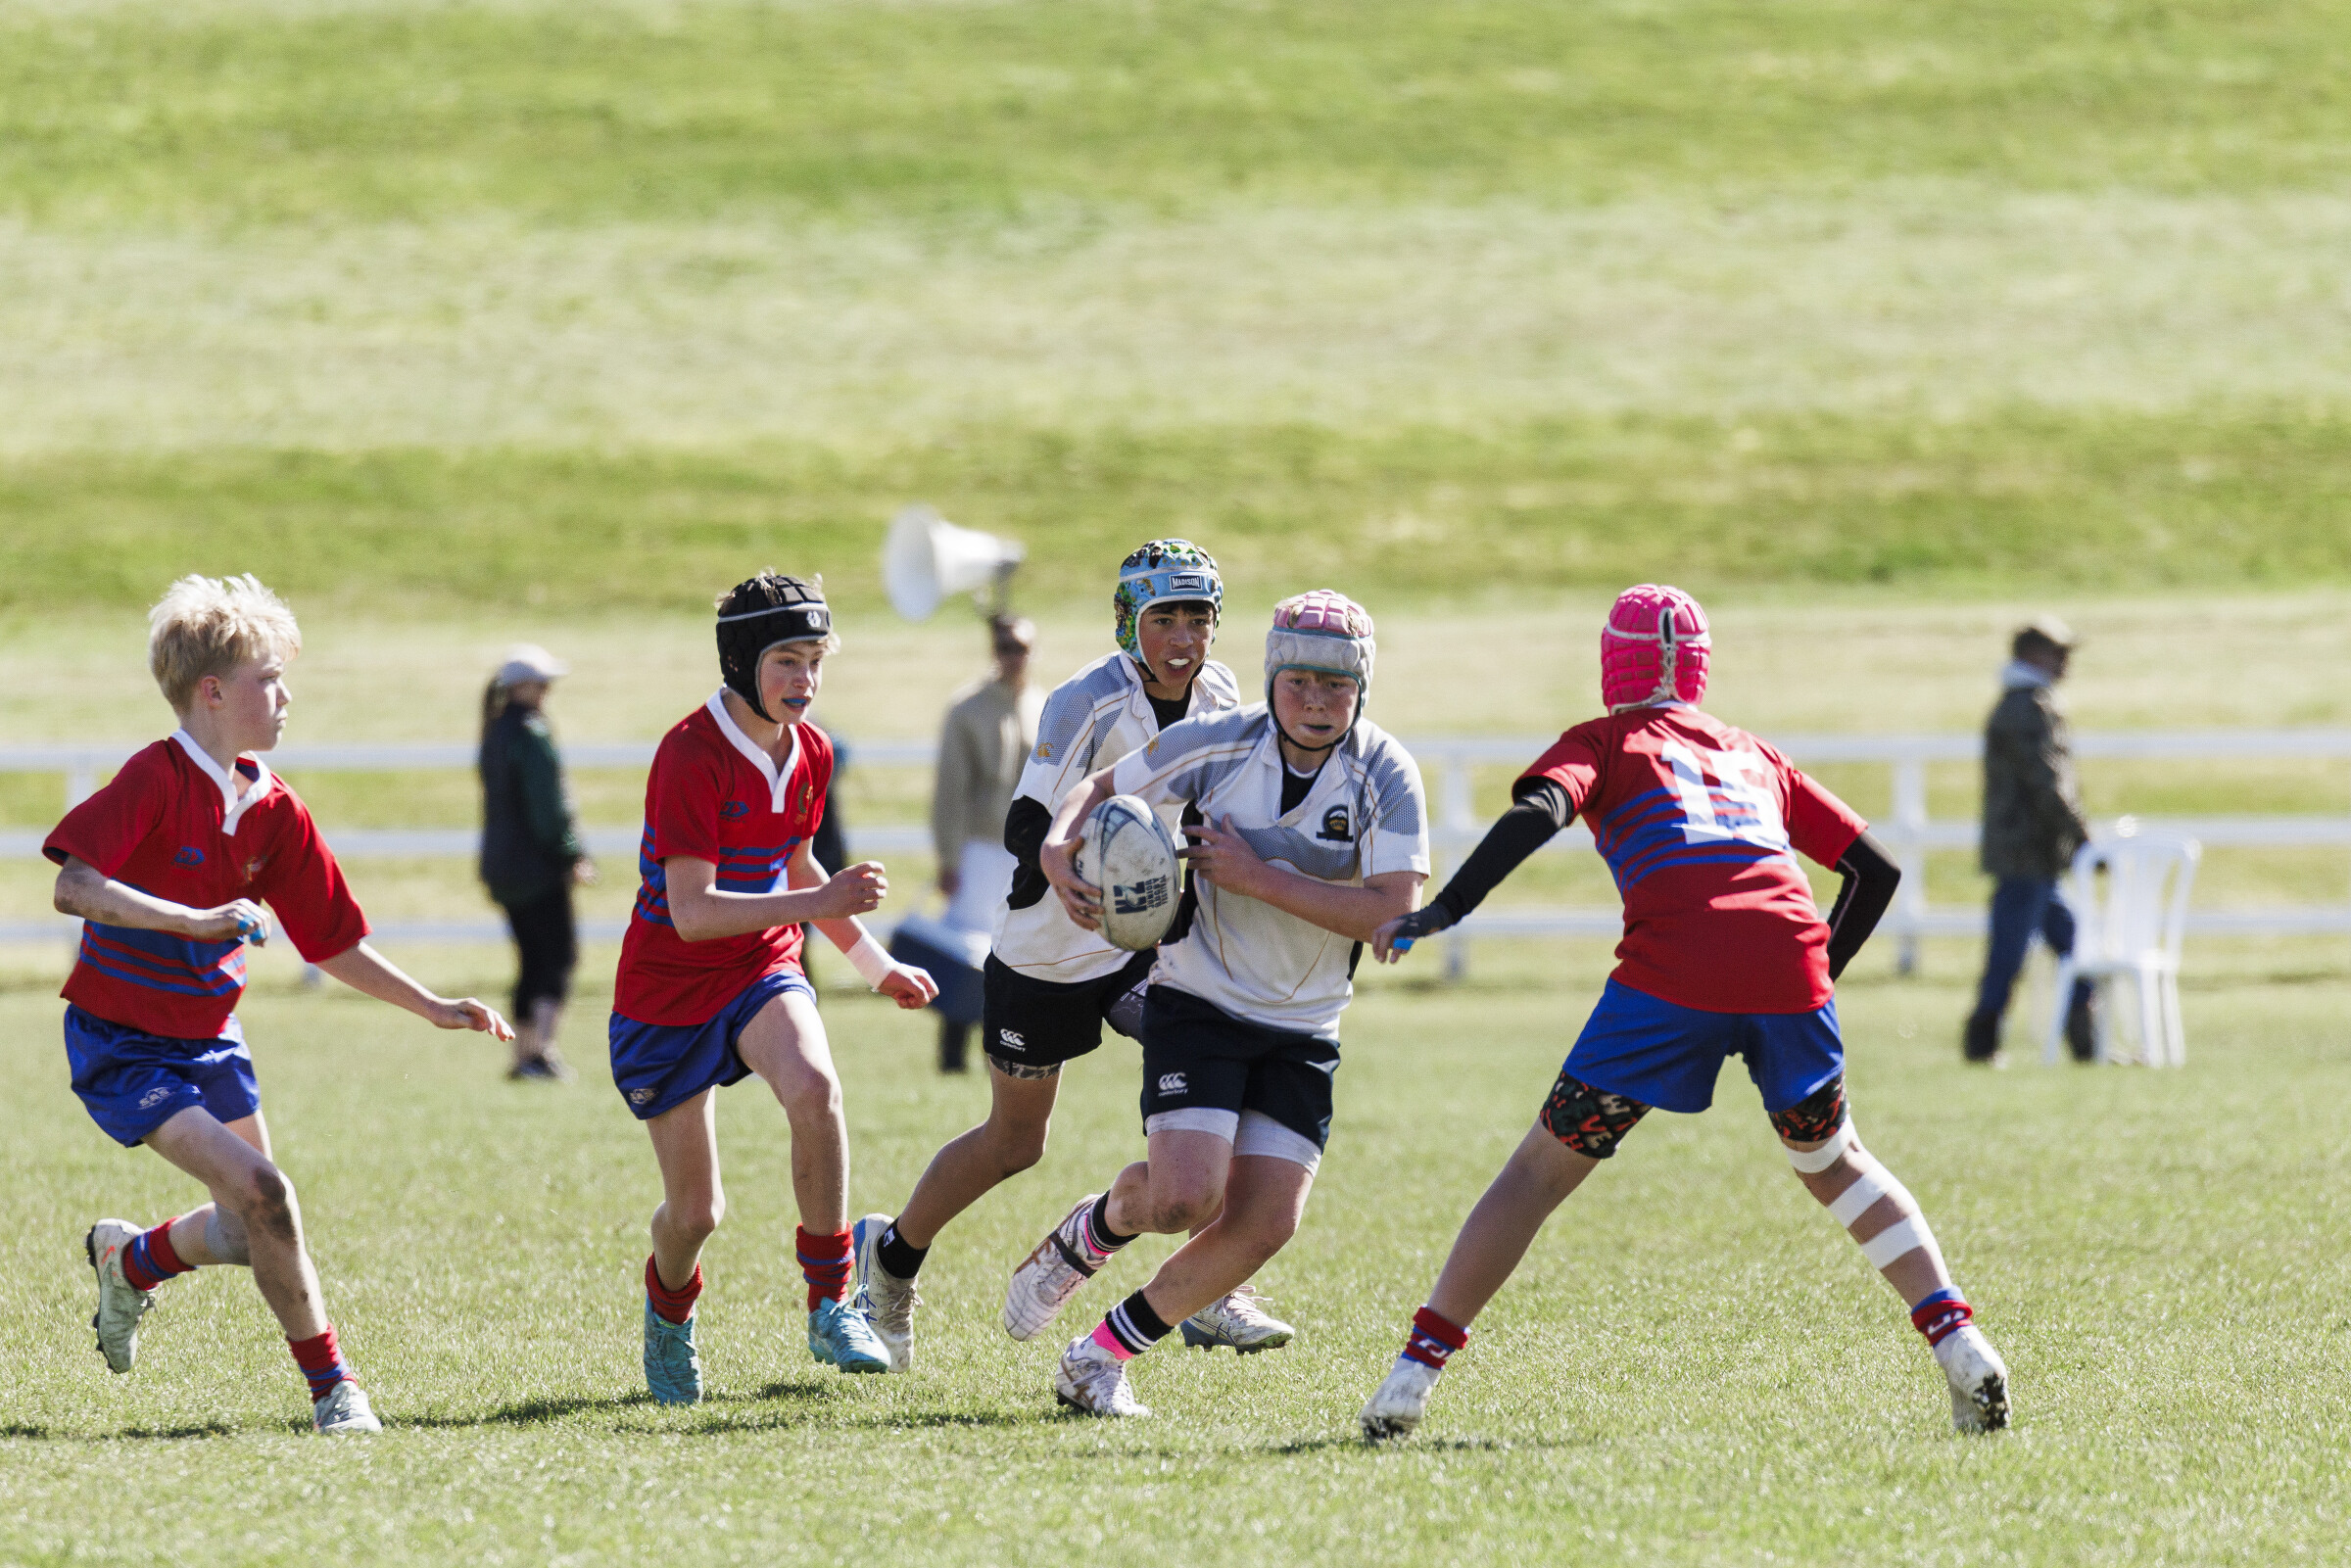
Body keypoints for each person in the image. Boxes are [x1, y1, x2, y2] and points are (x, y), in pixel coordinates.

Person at [1352, 584, 2009, 1443]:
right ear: (1698, 670)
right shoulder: (1752, 751)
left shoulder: (1605, 740)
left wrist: (1449, 908)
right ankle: (1960, 1340)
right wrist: (1813, 976)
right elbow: (1874, 870)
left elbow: (1540, 809)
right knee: (1835, 1162)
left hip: (1672, 978)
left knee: (1537, 1174)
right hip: (1790, 972)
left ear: (1610, 664)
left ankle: (1411, 1377)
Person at [48, 574, 514, 1436]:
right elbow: (74, 886)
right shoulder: (154, 777)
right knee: (267, 1191)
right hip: (124, 1042)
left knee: (249, 1222)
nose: (286, 695)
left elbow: (330, 940)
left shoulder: (274, 808)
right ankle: (336, 1389)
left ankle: (131, 1261)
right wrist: (192, 919)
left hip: (211, 1036)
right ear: (212, 691)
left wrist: (431, 1005)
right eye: (268, 679)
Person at [853, 541, 1288, 1374]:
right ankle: (892, 1257)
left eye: (1199, 617)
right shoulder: (1082, 700)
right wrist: (1063, 862)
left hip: (1145, 947)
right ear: (1129, 620)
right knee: (1015, 1142)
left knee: (1220, 1075)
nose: (1184, 636)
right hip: (1046, 952)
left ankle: (1210, 1287)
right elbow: (1025, 822)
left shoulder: (1221, 691)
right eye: (1165, 616)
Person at [1002, 589, 1428, 1417]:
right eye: (1298, 681)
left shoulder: (1384, 772)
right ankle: (1094, 1229)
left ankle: (1096, 1357)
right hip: (1201, 997)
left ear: (1362, 688)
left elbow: (1392, 914)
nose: (1315, 701)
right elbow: (1099, 787)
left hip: (1304, 1024)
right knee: (1182, 1200)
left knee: (1264, 1223)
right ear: (1271, 679)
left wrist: (1256, 875)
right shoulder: (1220, 741)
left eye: (1336, 685)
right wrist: (1057, 848)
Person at [610, 571, 938, 1402]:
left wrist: (877, 966)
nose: (805, 679)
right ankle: (668, 1317)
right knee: (696, 1213)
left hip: (760, 966)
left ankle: (830, 1302)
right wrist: (822, 903)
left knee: (816, 1088)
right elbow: (691, 913)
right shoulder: (689, 753)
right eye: (787, 660)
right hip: (666, 996)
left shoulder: (812, 751)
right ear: (741, 661)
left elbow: (797, 867)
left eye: (816, 661)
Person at [1966, 618, 2095, 1065]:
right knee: (2012, 951)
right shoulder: (2030, 707)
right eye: (2058, 653)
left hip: (2029, 853)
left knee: (2071, 940)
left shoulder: (2018, 703)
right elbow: (2048, 782)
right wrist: (2081, 835)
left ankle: (2085, 1037)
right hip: (2027, 853)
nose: (2065, 662)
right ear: (2032, 655)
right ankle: (1985, 1039)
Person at [926, 614, 1044, 1071]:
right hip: (978, 847)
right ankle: (952, 1056)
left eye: (1021, 647)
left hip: (1025, 852)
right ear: (994, 650)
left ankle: (1004, 1050)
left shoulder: (1044, 705)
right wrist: (948, 857)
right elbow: (950, 790)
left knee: (1014, 953)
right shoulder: (967, 709)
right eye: (1005, 647)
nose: (1014, 657)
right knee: (967, 951)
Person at [477, 643, 596, 1081]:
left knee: (528, 959)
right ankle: (541, 1051)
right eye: (540, 683)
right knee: (556, 957)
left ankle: (522, 1053)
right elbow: (548, 807)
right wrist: (571, 853)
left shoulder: (494, 731)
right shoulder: (531, 733)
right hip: (537, 868)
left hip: (503, 866)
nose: (546, 690)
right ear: (520, 687)